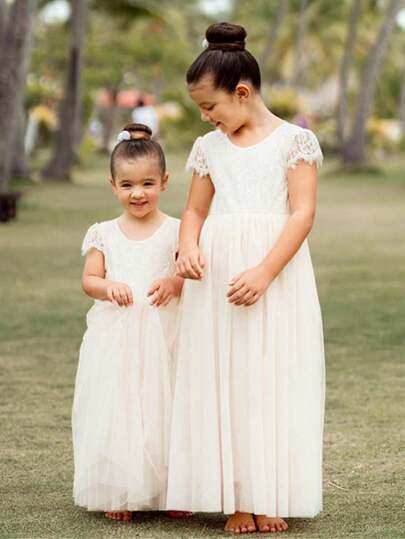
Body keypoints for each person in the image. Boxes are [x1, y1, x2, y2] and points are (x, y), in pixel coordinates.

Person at [167, 22, 325, 534]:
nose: (206, 117)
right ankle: (237, 498)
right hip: (219, 279)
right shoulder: (208, 147)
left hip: (272, 275)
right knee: (227, 380)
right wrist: (189, 246)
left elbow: (302, 213)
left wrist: (264, 272)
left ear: (241, 92)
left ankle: (269, 493)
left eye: (210, 106)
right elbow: (194, 211)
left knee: (270, 379)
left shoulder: (295, 142)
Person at [72, 122, 187, 522]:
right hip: (117, 337)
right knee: (120, 408)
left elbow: (188, 276)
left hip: (164, 333)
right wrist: (109, 286)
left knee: (164, 408)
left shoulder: (177, 230)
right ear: (113, 185)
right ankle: (120, 489)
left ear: (164, 182)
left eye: (147, 184)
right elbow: (90, 280)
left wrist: (173, 282)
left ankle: (173, 488)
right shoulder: (103, 233)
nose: (138, 193)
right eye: (127, 185)